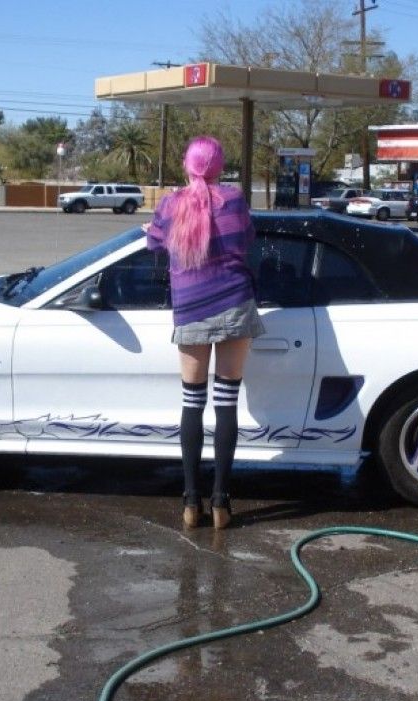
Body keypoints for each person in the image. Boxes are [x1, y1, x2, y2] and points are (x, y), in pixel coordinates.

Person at [144, 136, 264, 531]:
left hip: (192, 308)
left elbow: (155, 243)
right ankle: (221, 501)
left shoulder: (170, 203)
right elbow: (246, 243)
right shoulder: (233, 200)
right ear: (218, 166)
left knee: (192, 403)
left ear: (187, 164)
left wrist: (151, 231)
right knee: (226, 404)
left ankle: (190, 501)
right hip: (234, 302)